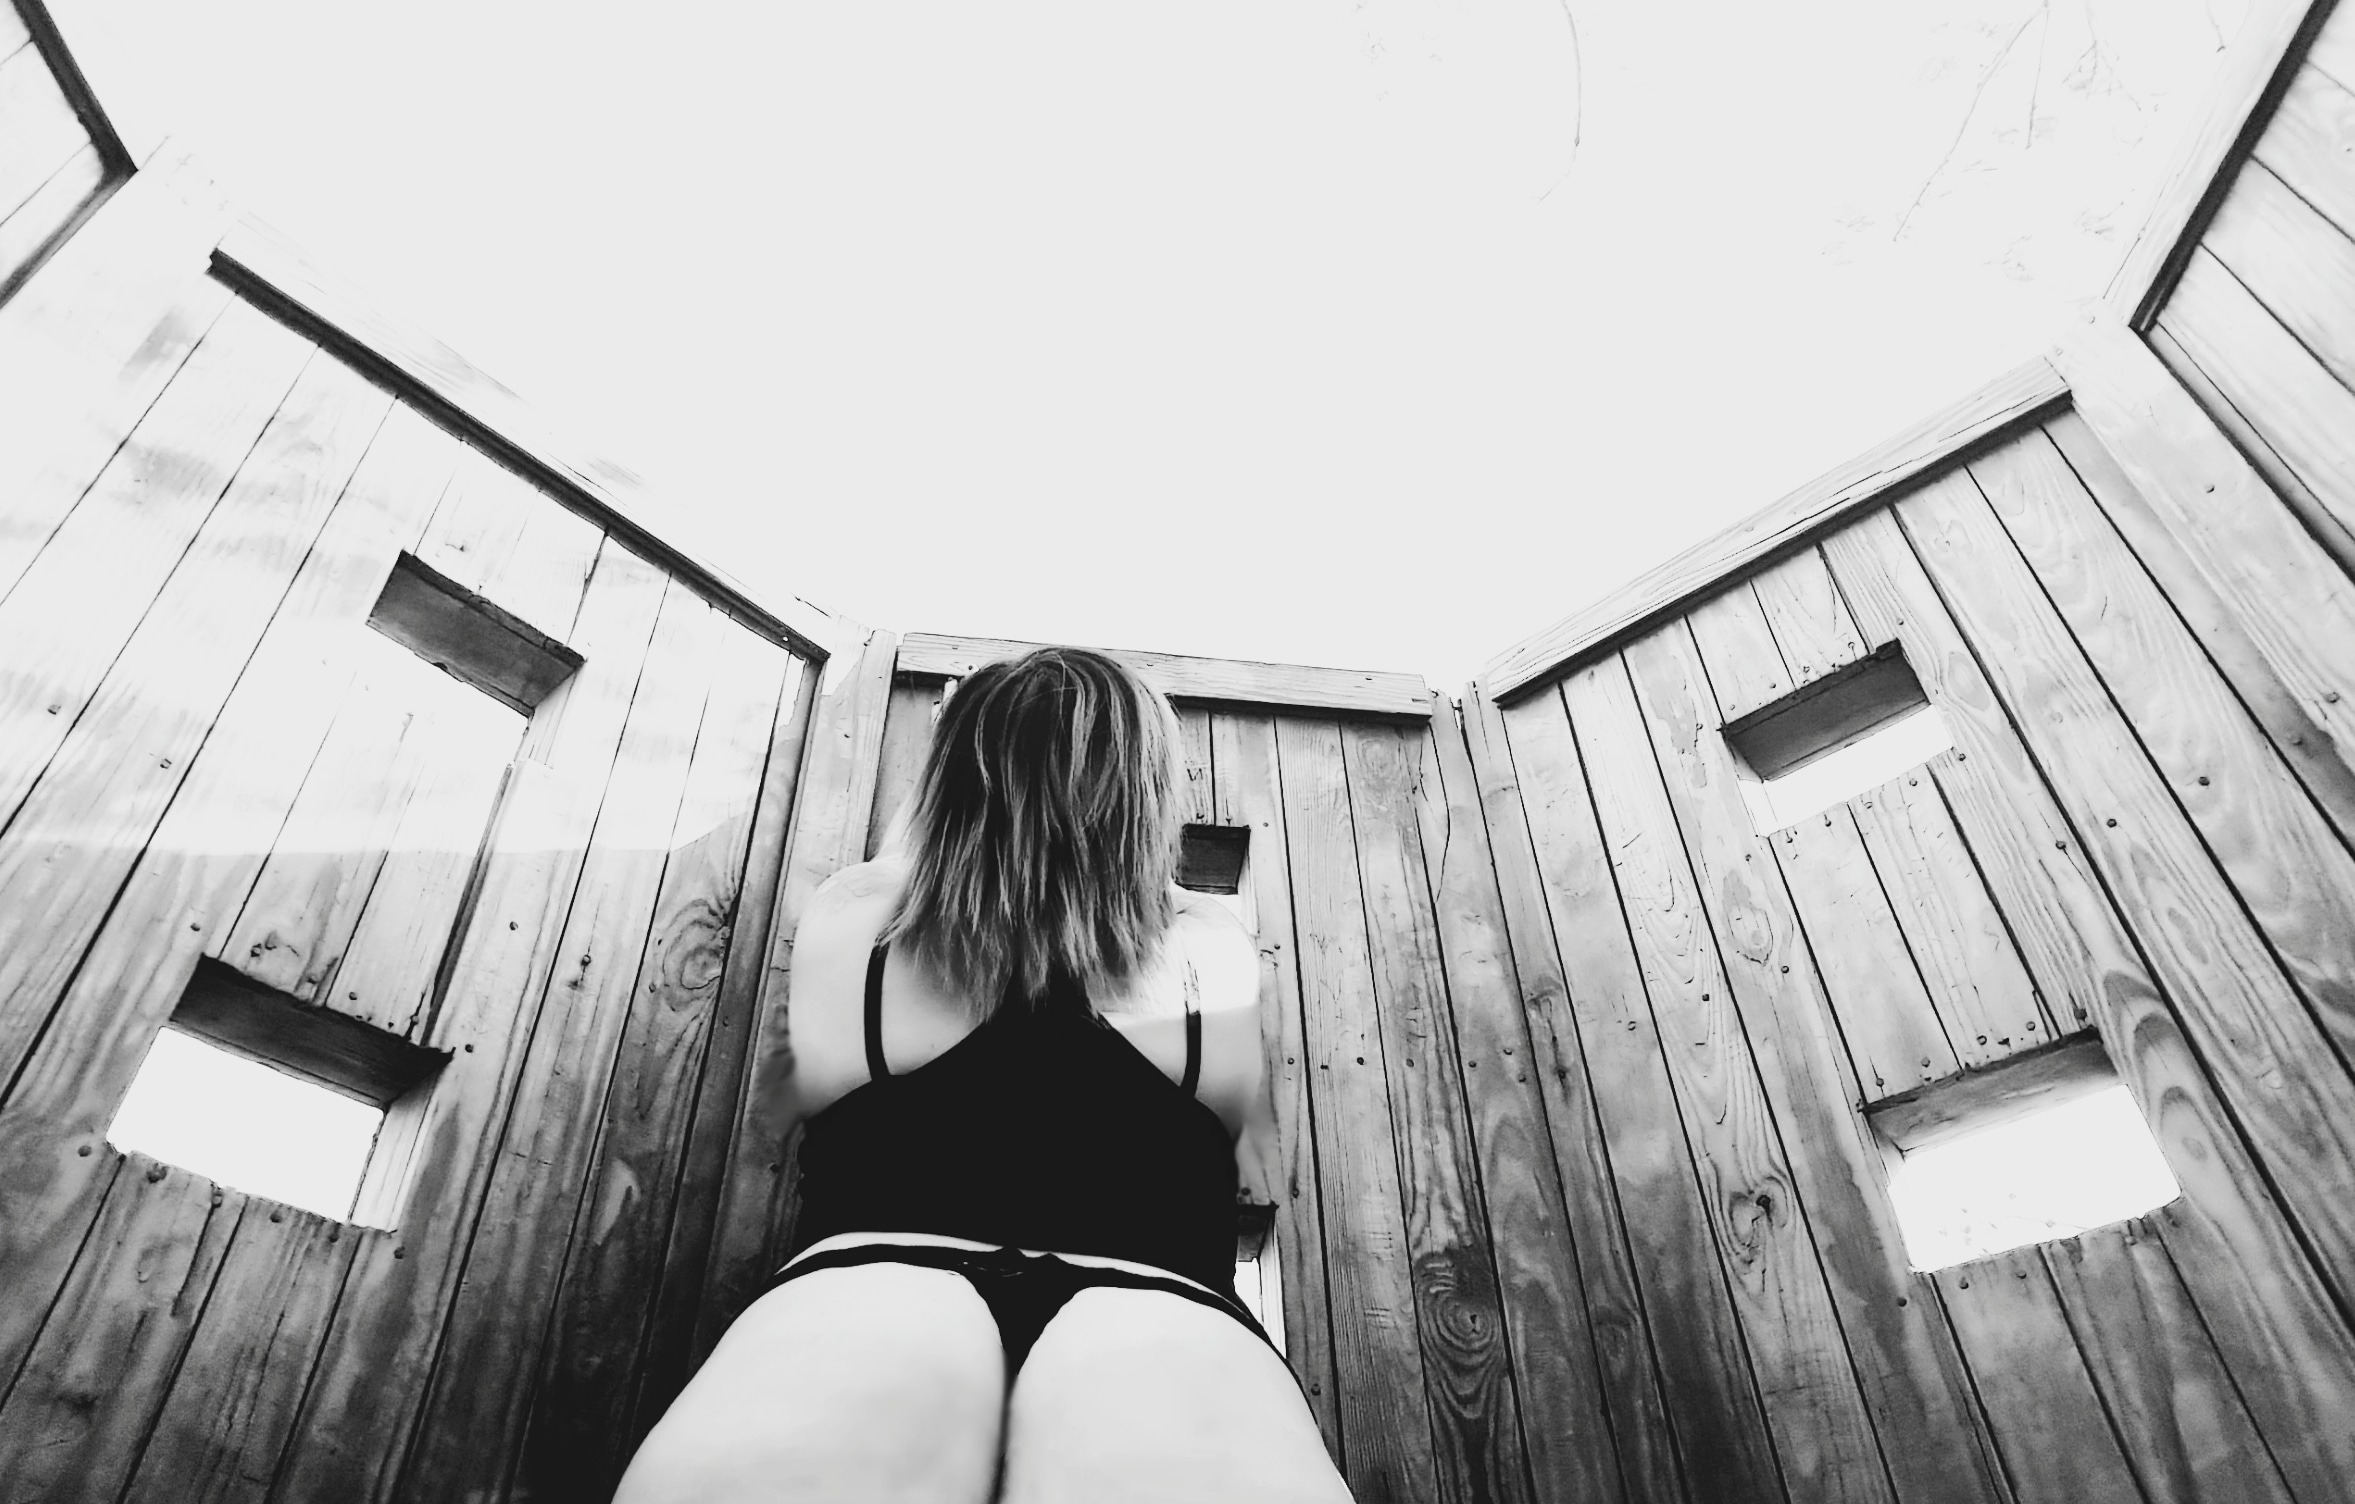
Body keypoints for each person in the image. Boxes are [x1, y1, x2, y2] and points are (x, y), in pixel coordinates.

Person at [614, 647, 1355, 1503]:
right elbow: (1217, 1130)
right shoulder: (1208, 946)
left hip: (878, 1283)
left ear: (949, 777)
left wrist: (962, 757)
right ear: (1148, 790)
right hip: (1154, 1305)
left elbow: (910, 874)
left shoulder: (856, 915)